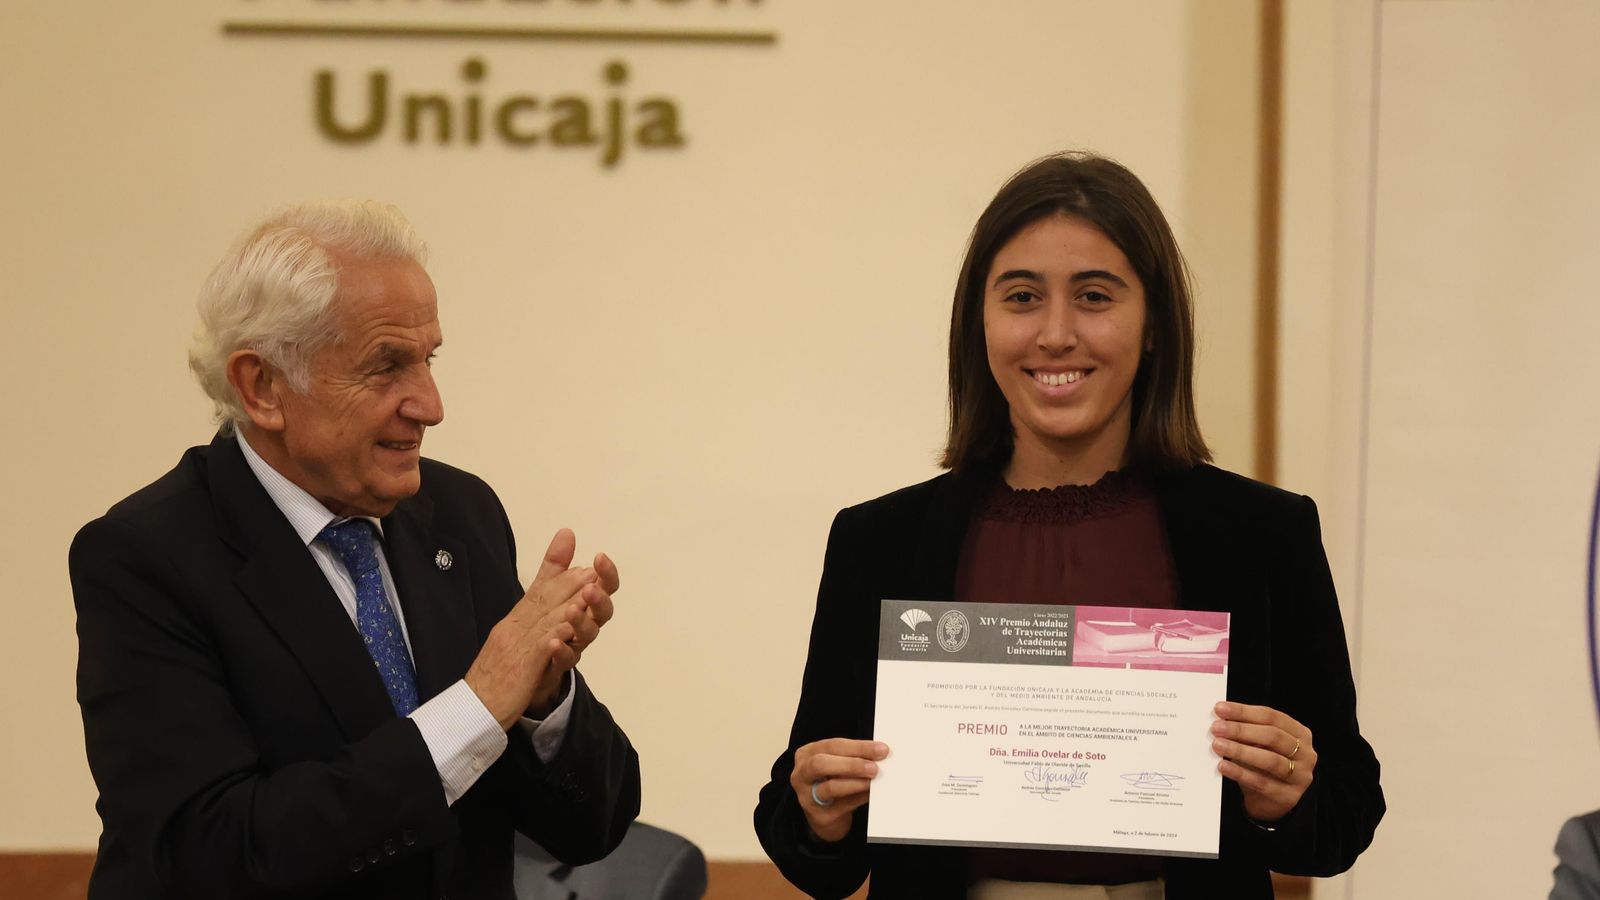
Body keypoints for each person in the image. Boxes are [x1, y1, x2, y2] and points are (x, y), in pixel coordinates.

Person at [753, 153, 1384, 899]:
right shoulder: (879, 540)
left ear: (1153, 325)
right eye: (1021, 297)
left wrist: (1290, 797)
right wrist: (821, 807)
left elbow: (1344, 815)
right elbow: (807, 842)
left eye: (1094, 296)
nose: (1056, 334)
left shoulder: (1261, 533)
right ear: (979, 325)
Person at [69, 200, 641, 899]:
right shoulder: (146, 558)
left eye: (428, 360)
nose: (430, 405)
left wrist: (541, 696)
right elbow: (212, 854)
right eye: (386, 367)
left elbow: (595, 827)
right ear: (264, 386)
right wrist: (478, 703)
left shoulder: (458, 516)